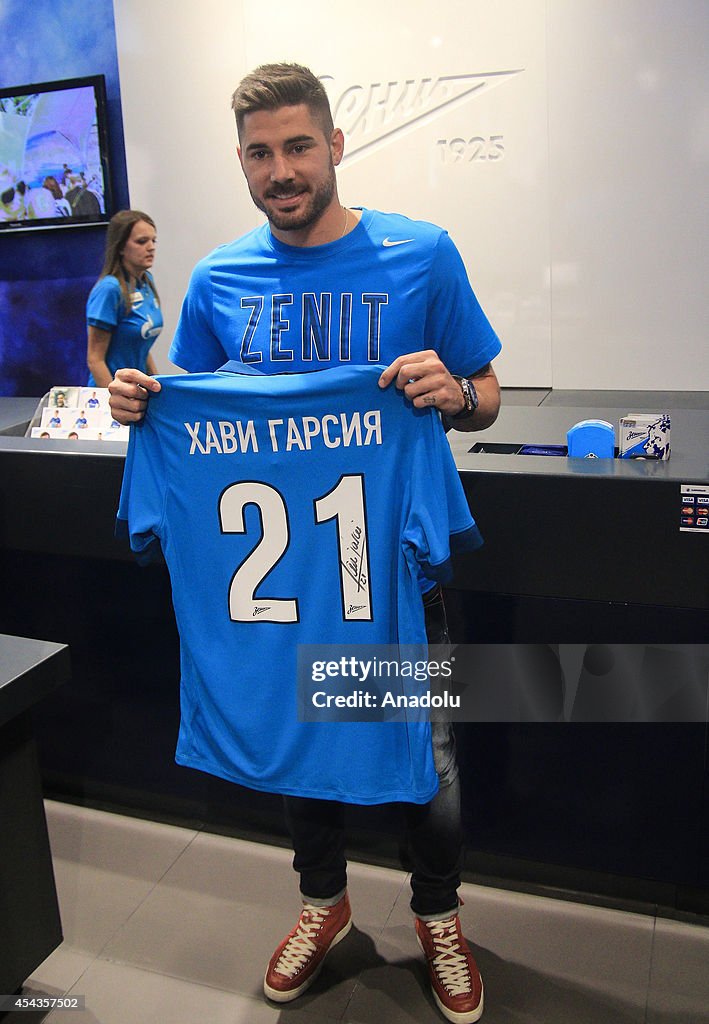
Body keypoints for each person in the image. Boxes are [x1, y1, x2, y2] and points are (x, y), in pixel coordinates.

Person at [109, 62, 501, 1024]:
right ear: (240, 162)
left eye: (296, 147)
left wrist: (455, 396)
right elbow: (191, 411)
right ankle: (322, 906)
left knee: (429, 760)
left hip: (390, 574)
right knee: (297, 746)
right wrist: (137, 401)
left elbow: (486, 392)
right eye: (258, 153)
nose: (280, 169)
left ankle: (437, 916)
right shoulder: (219, 278)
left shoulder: (421, 253)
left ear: (334, 144)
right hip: (281, 584)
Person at [86, 210, 163, 387]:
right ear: (120, 247)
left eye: (153, 240)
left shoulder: (146, 281)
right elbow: (95, 360)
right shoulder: (110, 289)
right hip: (111, 394)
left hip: (138, 392)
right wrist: (113, 402)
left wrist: (159, 388)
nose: (151, 247)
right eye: (142, 241)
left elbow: (141, 347)